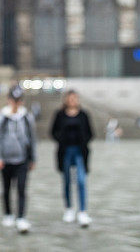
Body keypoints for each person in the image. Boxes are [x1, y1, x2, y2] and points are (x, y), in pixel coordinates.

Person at [0, 86, 36, 234]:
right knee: (6, 188)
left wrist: (33, 158)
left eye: (19, 100)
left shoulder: (27, 117)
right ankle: (8, 213)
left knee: (21, 188)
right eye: (14, 100)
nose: (16, 103)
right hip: (5, 160)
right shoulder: (1, 117)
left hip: (22, 159)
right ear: (9, 100)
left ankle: (21, 216)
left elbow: (32, 139)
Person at [50, 90, 93, 228]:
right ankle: (69, 209)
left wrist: (83, 140)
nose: (73, 101)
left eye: (75, 98)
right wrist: (61, 139)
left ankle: (82, 211)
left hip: (80, 151)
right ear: (66, 100)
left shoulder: (84, 115)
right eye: (71, 98)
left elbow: (90, 133)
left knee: (81, 180)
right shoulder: (60, 114)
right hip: (66, 151)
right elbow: (53, 131)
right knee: (67, 181)